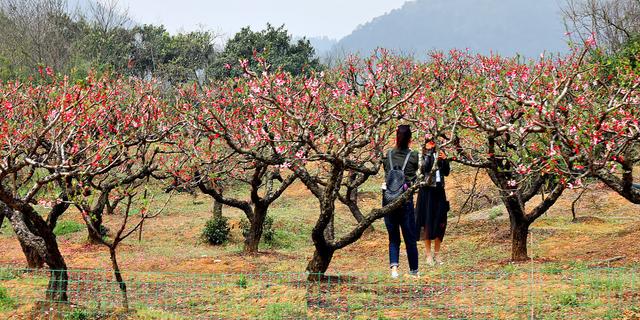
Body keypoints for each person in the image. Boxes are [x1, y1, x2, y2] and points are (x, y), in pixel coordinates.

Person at [382, 125, 420, 278]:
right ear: (410, 138)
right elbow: (420, 172)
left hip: (388, 199)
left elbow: (386, 171)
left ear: (396, 137)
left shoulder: (388, 154)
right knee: (410, 237)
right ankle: (414, 271)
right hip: (405, 200)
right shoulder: (414, 155)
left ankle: (394, 269)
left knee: (393, 237)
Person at [416, 140, 451, 266]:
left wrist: (445, 160)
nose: (431, 144)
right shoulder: (421, 154)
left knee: (440, 221)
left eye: (433, 142)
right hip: (426, 191)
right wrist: (430, 154)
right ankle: (428, 254)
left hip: (439, 190)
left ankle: (437, 254)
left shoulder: (440, 152)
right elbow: (424, 169)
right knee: (427, 222)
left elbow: (446, 172)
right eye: (429, 142)